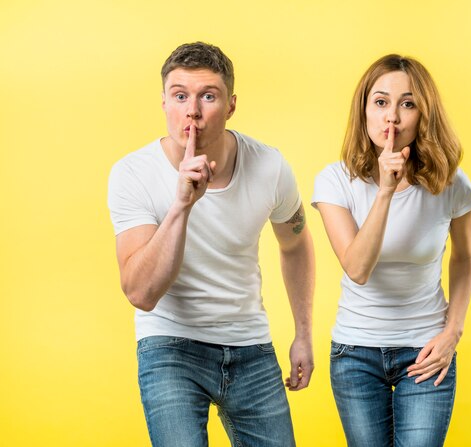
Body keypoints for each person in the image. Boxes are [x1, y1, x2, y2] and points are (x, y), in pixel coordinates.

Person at [107, 42, 315, 447]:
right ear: (164, 101)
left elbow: (296, 243)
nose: (193, 112)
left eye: (208, 96)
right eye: (180, 96)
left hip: (250, 347)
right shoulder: (133, 173)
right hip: (170, 345)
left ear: (231, 105)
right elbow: (140, 292)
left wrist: (303, 334)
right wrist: (182, 205)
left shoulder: (269, 166)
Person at [311, 54, 471, 446]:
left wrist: (453, 332)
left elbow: (465, 257)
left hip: (425, 351)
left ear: (424, 114)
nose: (392, 117)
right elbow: (357, 268)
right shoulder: (335, 181)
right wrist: (385, 190)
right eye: (381, 102)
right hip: (356, 353)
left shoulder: (449, 183)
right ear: (364, 110)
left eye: (407, 104)